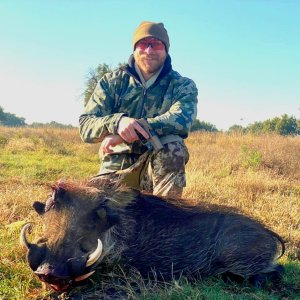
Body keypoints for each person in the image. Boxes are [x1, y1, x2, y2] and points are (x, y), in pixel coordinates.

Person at [79, 21, 198, 198]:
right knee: (93, 215)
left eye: (156, 45)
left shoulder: (182, 85)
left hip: (157, 167)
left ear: (166, 50)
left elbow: (181, 120)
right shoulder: (111, 82)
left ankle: (164, 220)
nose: (149, 51)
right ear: (134, 48)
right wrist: (118, 122)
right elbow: (86, 125)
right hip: (116, 168)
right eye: (143, 44)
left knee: (173, 146)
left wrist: (132, 129)